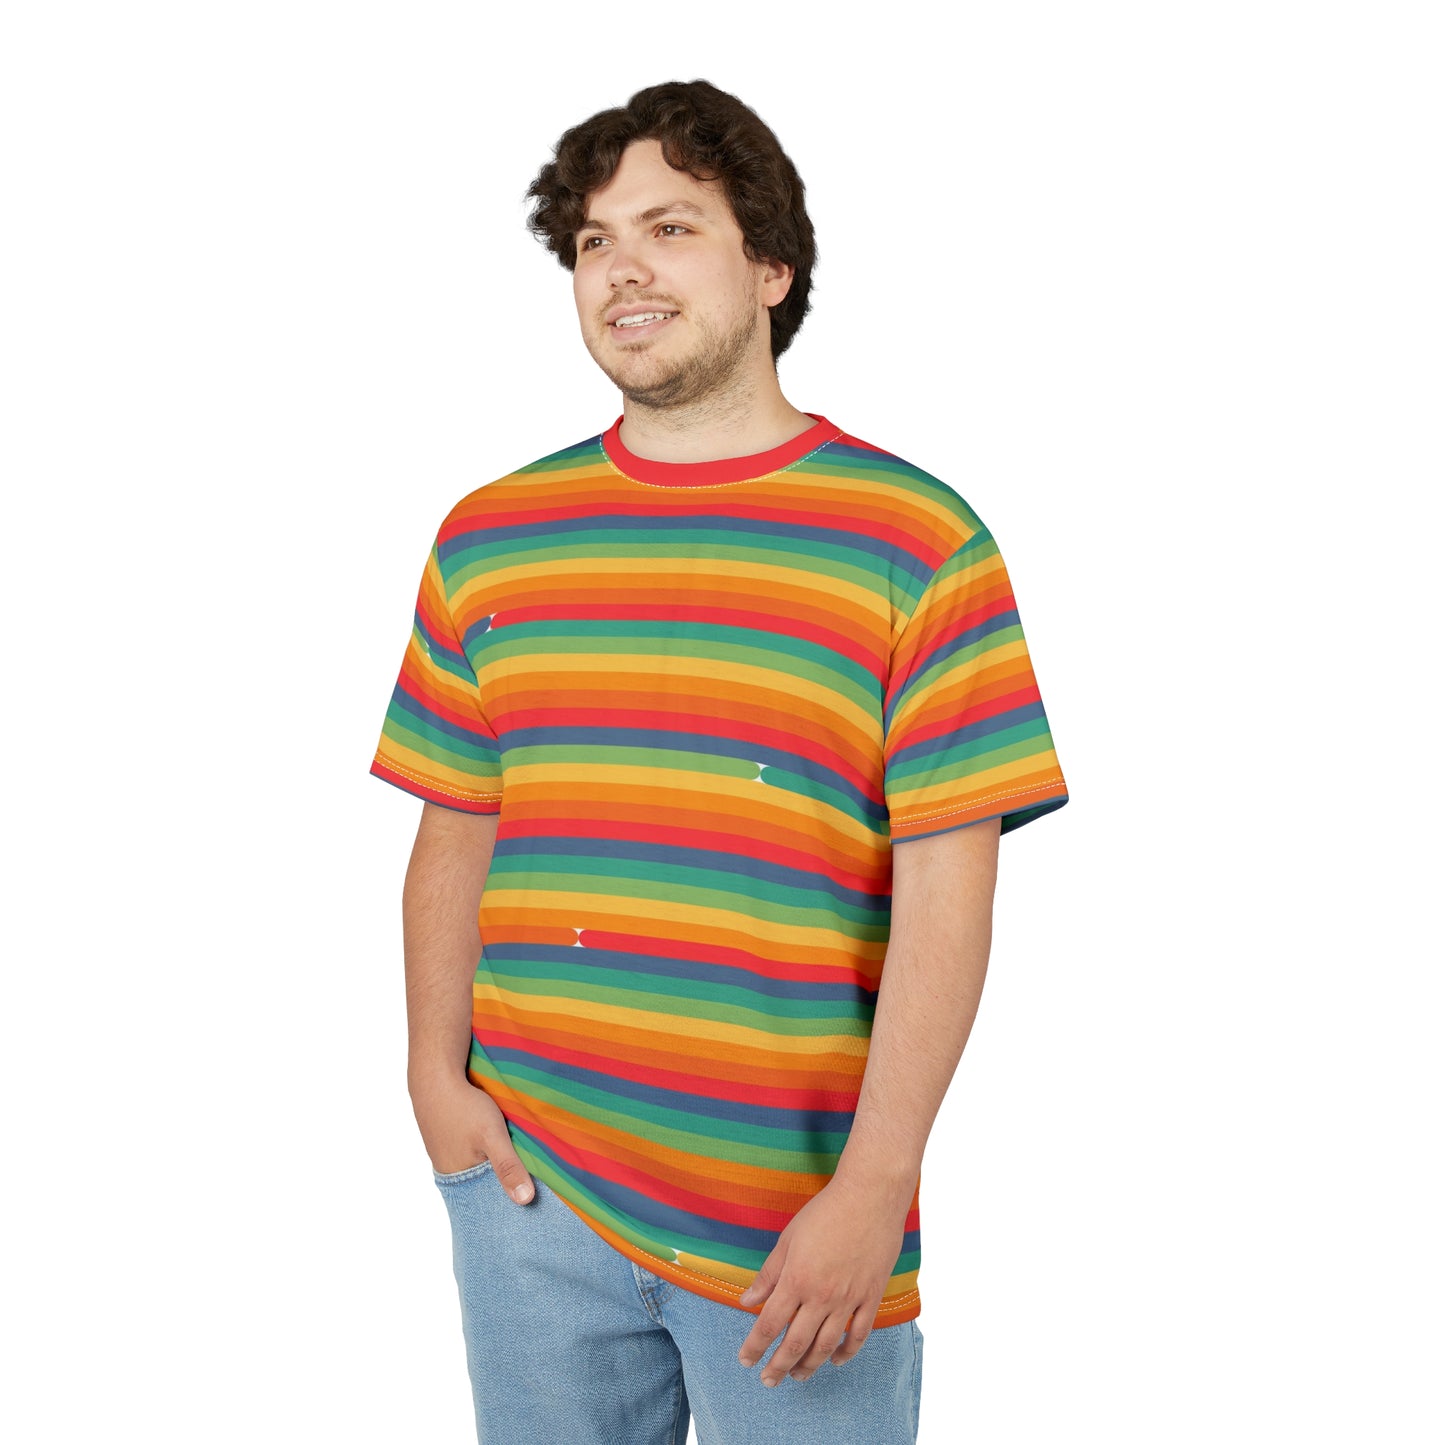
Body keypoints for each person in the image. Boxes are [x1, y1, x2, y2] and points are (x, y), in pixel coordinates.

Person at [370, 79, 1069, 1444]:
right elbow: (456, 825)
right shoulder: (489, 536)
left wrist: (876, 1185)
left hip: (799, 1219)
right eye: (592, 241)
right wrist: (430, 1082)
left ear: (771, 266)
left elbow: (949, 885)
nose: (621, 267)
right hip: (529, 1192)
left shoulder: (917, 540)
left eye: (670, 227)